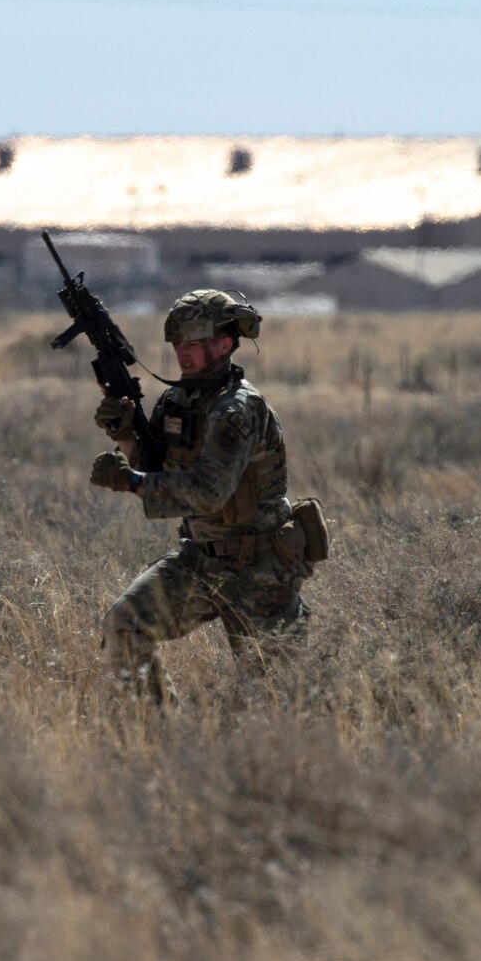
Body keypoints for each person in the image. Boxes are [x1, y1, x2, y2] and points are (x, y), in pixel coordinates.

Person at [90, 289, 316, 704]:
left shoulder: (238, 410)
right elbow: (158, 468)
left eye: (192, 343)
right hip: (201, 558)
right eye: (178, 344)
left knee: (276, 697)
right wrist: (124, 435)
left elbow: (208, 493)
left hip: (259, 566)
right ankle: (156, 736)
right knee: (124, 624)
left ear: (225, 344)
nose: (183, 353)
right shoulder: (178, 402)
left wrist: (131, 481)